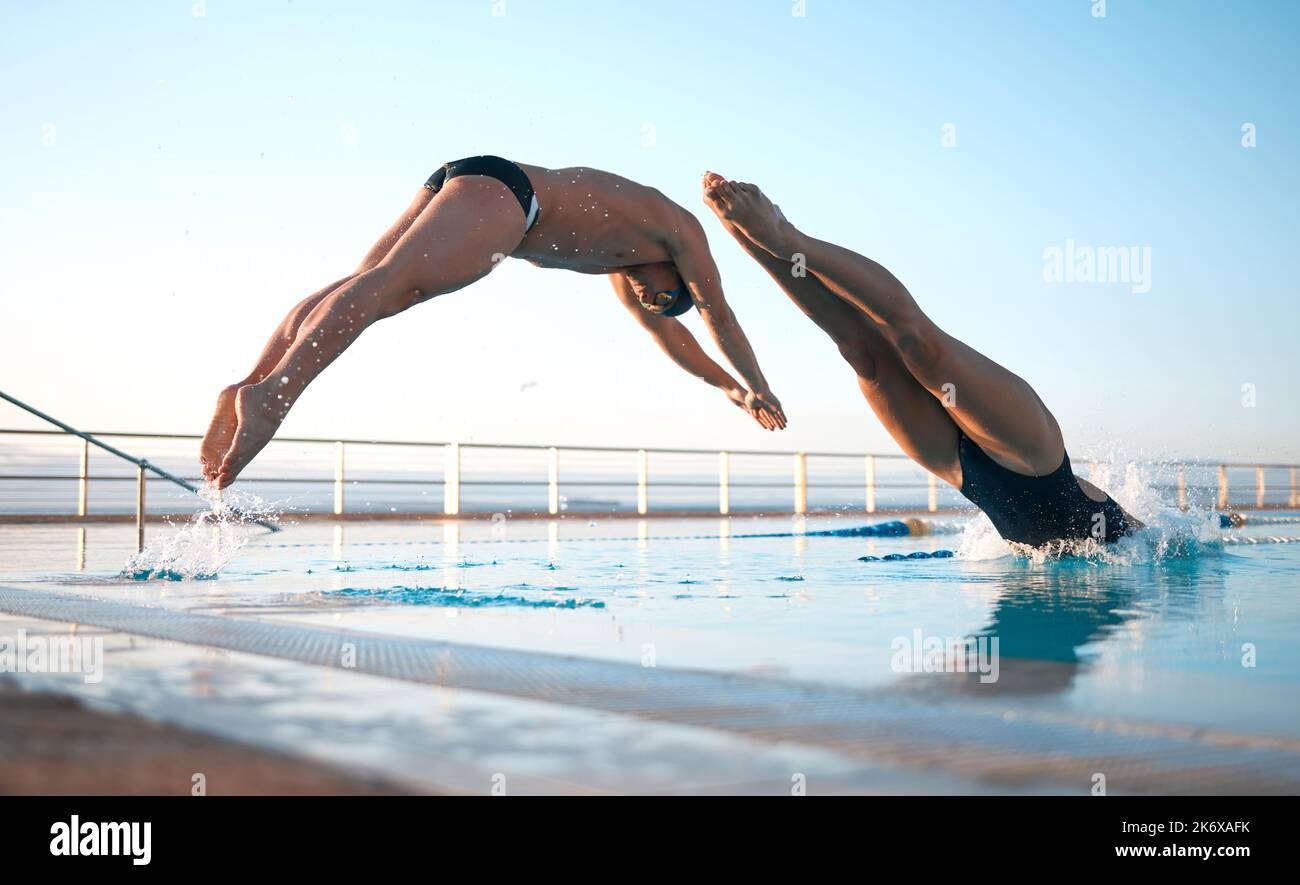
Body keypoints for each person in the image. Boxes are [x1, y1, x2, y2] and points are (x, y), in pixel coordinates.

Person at [200, 156, 786, 488]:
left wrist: (734, 392)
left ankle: (252, 383)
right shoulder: (680, 232)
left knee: (364, 286)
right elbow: (718, 317)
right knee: (384, 288)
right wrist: (760, 382)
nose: (649, 300)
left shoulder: (625, 265)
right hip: (512, 196)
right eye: (663, 298)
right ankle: (276, 396)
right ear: (680, 278)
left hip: (478, 180)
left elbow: (673, 342)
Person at [701, 173, 1139, 547]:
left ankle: (746, 235)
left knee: (863, 354)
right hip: (1035, 460)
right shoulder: (1149, 545)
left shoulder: (1141, 554)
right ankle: (783, 236)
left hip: (967, 474)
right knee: (920, 348)